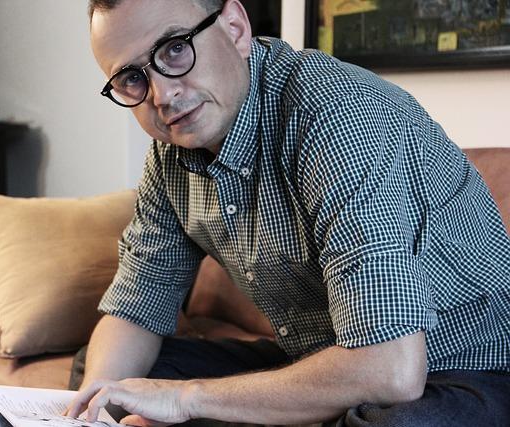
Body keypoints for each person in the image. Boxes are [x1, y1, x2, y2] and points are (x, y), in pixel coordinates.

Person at [66, 0, 510, 425]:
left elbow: (390, 370)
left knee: (396, 423)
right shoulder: (172, 154)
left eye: (175, 48)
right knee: (108, 379)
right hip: (320, 359)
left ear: (235, 28)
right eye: (130, 78)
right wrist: (89, 412)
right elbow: (134, 311)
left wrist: (186, 400)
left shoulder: (337, 115)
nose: (162, 94)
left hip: (460, 372)